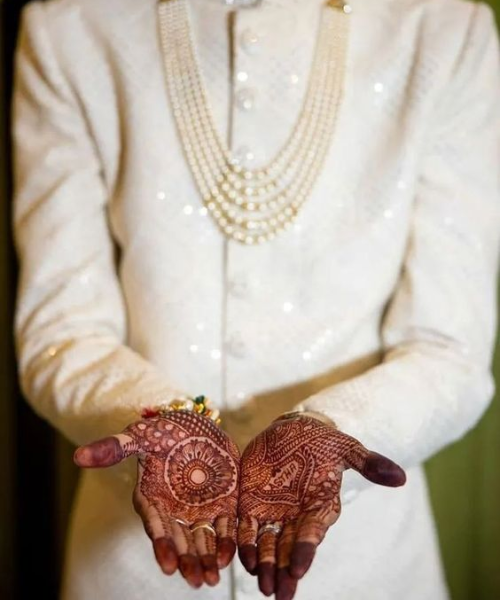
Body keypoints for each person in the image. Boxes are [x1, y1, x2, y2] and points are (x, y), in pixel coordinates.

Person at [11, 0, 500, 598]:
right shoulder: (73, 27)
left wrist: (331, 431)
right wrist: (163, 423)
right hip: (134, 567)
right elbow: (59, 331)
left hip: (367, 566)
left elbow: (448, 347)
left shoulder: (444, 30)